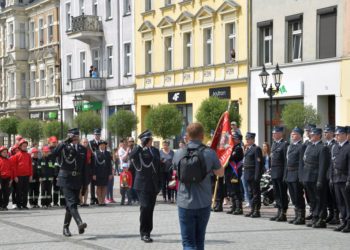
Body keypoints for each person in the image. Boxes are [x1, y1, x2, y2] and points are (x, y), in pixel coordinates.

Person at [173, 123, 223, 250]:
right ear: (202, 136)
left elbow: (175, 171)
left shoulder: (179, 153)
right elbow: (220, 173)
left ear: (187, 136)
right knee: (200, 241)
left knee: (188, 242)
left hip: (184, 203)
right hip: (203, 202)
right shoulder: (209, 153)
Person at [52, 128, 87, 237]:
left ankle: (65, 227)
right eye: (73, 136)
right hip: (65, 178)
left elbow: (84, 167)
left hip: (77, 179)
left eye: (77, 136)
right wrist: (64, 142)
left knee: (70, 205)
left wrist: (85, 183)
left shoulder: (82, 148)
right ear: (70, 137)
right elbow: (54, 153)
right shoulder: (63, 147)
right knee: (72, 202)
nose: (76, 138)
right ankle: (80, 223)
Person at [129, 130, 162, 243]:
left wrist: (160, 184)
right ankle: (144, 233)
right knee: (145, 207)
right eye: (149, 140)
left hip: (153, 184)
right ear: (145, 141)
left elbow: (158, 168)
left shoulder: (155, 151)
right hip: (141, 184)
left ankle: (148, 231)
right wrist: (139, 146)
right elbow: (130, 156)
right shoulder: (138, 151)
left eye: (151, 139)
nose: (151, 141)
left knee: (150, 209)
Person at [301, 128, 329, 228]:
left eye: (313, 135)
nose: (311, 136)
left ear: (318, 136)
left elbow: (323, 166)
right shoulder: (309, 146)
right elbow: (305, 162)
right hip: (308, 176)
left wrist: (320, 180)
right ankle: (315, 217)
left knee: (319, 199)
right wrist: (304, 177)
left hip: (316, 177)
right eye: (311, 135)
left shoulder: (323, 148)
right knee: (312, 199)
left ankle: (321, 219)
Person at [285, 127, 306, 225]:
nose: (292, 136)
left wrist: (300, 176)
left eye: (294, 134)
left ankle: (301, 217)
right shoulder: (290, 146)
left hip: (296, 173)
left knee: (298, 196)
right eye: (292, 134)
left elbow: (302, 163)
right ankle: (296, 215)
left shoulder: (301, 146)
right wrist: (285, 175)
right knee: (293, 196)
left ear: (299, 136)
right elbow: (287, 162)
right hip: (290, 173)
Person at [331, 126, 350, 232]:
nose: (337, 136)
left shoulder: (348, 147)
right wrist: (331, 177)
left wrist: (349, 180)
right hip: (336, 178)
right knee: (340, 202)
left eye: (339, 134)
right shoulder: (335, 147)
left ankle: (349, 222)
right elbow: (332, 164)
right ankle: (344, 221)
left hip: (344, 178)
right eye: (336, 135)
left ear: (344, 135)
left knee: (347, 202)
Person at [270, 126, 289, 222]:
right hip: (274, 172)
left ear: (281, 134)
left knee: (282, 193)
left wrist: (285, 174)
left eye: (275, 133)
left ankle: (283, 213)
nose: (273, 135)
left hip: (281, 173)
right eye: (273, 133)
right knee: (276, 193)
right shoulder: (273, 144)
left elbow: (286, 161)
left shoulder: (284, 144)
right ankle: (278, 211)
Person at [243, 132, 264, 218]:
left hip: (253, 175)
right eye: (246, 139)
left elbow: (258, 164)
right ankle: (252, 209)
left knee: (255, 193)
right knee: (250, 193)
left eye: (248, 139)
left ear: (252, 139)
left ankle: (256, 210)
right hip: (247, 174)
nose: (247, 140)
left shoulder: (256, 149)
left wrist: (257, 175)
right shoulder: (247, 149)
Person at [323, 125, 340, 225]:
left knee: (334, 196)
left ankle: (336, 215)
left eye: (327, 132)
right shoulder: (326, 144)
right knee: (328, 195)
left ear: (332, 133)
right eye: (324, 132)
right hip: (326, 173)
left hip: (332, 173)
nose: (325, 134)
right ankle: (331, 214)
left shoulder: (335, 144)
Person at [225, 132, 244, 215]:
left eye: (234, 138)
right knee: (231, 190)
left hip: (235, 172)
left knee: (236, 190)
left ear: (239, 140)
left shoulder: (238, 148)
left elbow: (231, 157)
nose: (233, 140)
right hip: (230, 171)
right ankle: (233, 206)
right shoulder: (232, 148)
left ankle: (239, 208)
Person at [12, 139, 32, 210]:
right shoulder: (16, 156)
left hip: (26, 176)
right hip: (19, 176)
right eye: (23, 146)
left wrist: (30, 175)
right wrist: (15, 176)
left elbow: (30, 166)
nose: (25, 147)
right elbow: (14, 167)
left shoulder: (28, 155)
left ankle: (24, 204)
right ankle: (18, 205)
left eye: (26, 146)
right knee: (19, 191)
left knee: (25, 191)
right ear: (20, 146)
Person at [92, 140, 113, 206]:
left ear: (105, 146)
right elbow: (94, 164)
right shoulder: (96, 153)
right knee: (98, 187)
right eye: (101, 145)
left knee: (104, 187)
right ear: (99, 146)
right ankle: (99, 201)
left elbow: (110, 164)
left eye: (103, 145)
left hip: (106, 173)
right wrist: (94, 174)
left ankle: (103, 201)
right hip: (98, 173)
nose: (102, 146)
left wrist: (110, 173)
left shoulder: (108, 153)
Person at [89, 128, 101, 205]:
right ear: (94, 135)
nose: (97, 136)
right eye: (96, 134)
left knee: (100, 183)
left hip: (100, 166)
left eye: (98, 134)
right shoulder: (90, 143)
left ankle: (99, 198)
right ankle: (92, 198)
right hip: (93, 165)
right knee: (92, 183)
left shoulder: (102, 143)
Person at [0, 146, 13, 211]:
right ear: (0, 153)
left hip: (7, 179)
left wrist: (11, 179)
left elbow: (11, 170)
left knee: (6, 193)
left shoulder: (9, 161)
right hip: (1, 179)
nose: (5, 153)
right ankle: (1, 205)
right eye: (3, 152)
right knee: (0, 192)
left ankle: (5, 205)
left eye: (6, 152)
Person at [80, 138, 92, 206]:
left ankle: (85, 202)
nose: (85, 143)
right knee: (80, 187)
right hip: (80, 170)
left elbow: (91, 162)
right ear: (81, 143)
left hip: (87, 170)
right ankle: (81, 201)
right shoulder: (78, 150)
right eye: (84, 142)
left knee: (86, 186)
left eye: (86, 142)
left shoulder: (89, 151)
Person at [127, 137, 138, 204]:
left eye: (132, 141)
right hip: (128, 169)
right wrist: (127, 152)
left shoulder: (136, 149)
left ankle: (135, 198)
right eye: (130, 141)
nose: (131, 143)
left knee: (134, 183)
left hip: (135, 168)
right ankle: (129, 198)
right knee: (128, 184)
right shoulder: (126, 149)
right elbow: (123, 159)